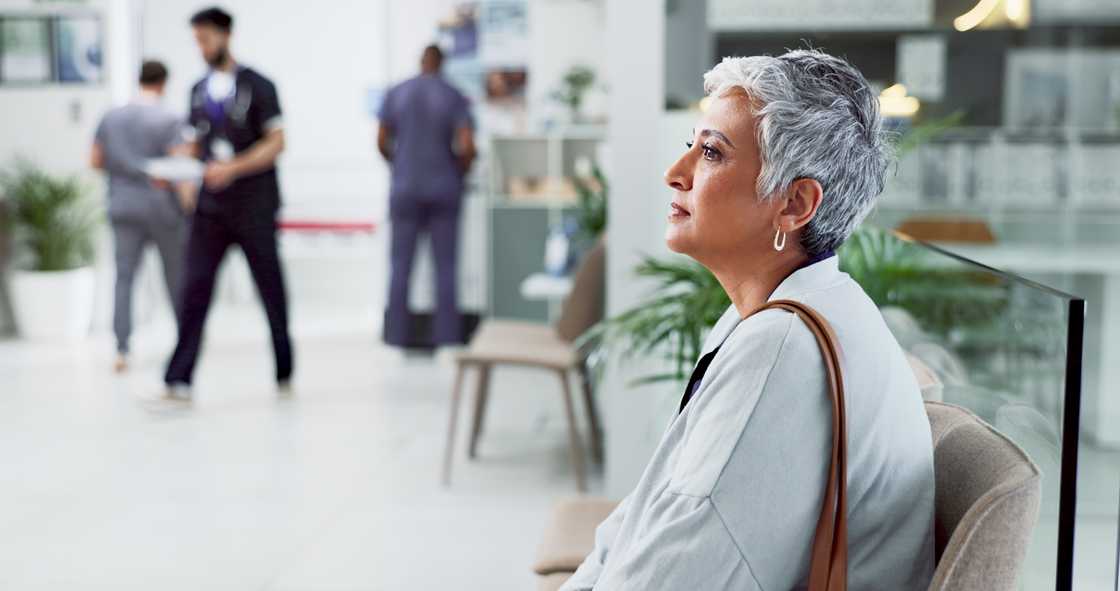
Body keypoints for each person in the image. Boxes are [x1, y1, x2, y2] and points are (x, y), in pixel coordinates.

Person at [562, 50, 935, 590]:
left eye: (712, 152)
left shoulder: (784, 348)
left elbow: (671, 575)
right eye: (691, 145)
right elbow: (653, 507)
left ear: (795, 204)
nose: (675, 173)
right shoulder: (790, 313)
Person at [163, 7, 292, 401]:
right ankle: (178, 378)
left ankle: (284, 369)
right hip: (210, 210)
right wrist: (175, 166)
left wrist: (234, 168)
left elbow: (276, 142)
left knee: (271, 289)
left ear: (225, 35)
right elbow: (194, 145)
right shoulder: (197, 90)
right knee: (194, 289)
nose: (201, 48)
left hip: (254, 205)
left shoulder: (259, 86)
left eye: (205, 39)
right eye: (197, 41)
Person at [91, 60, 191, 373]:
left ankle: (121, 349)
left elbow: (95, 160)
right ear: (163, 83)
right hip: (161, 207)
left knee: (124, 278)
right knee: (175, 275)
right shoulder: (169, 118)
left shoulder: (111, 116)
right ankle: (186, 342)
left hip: (123, 204)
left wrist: (124, 174)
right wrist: (190, 208)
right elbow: (180, 169)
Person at [377, 44, 476, 349]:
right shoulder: (453, 95)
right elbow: (467, 145)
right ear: (442, 64)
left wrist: (399, 164)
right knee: (445, 267)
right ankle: (447, 337)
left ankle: (396, 336)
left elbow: (381, 140)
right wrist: (458, 171)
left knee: (400, 266)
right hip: (444, 188)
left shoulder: (397, 93)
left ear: (421, 62)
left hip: (405, 187)